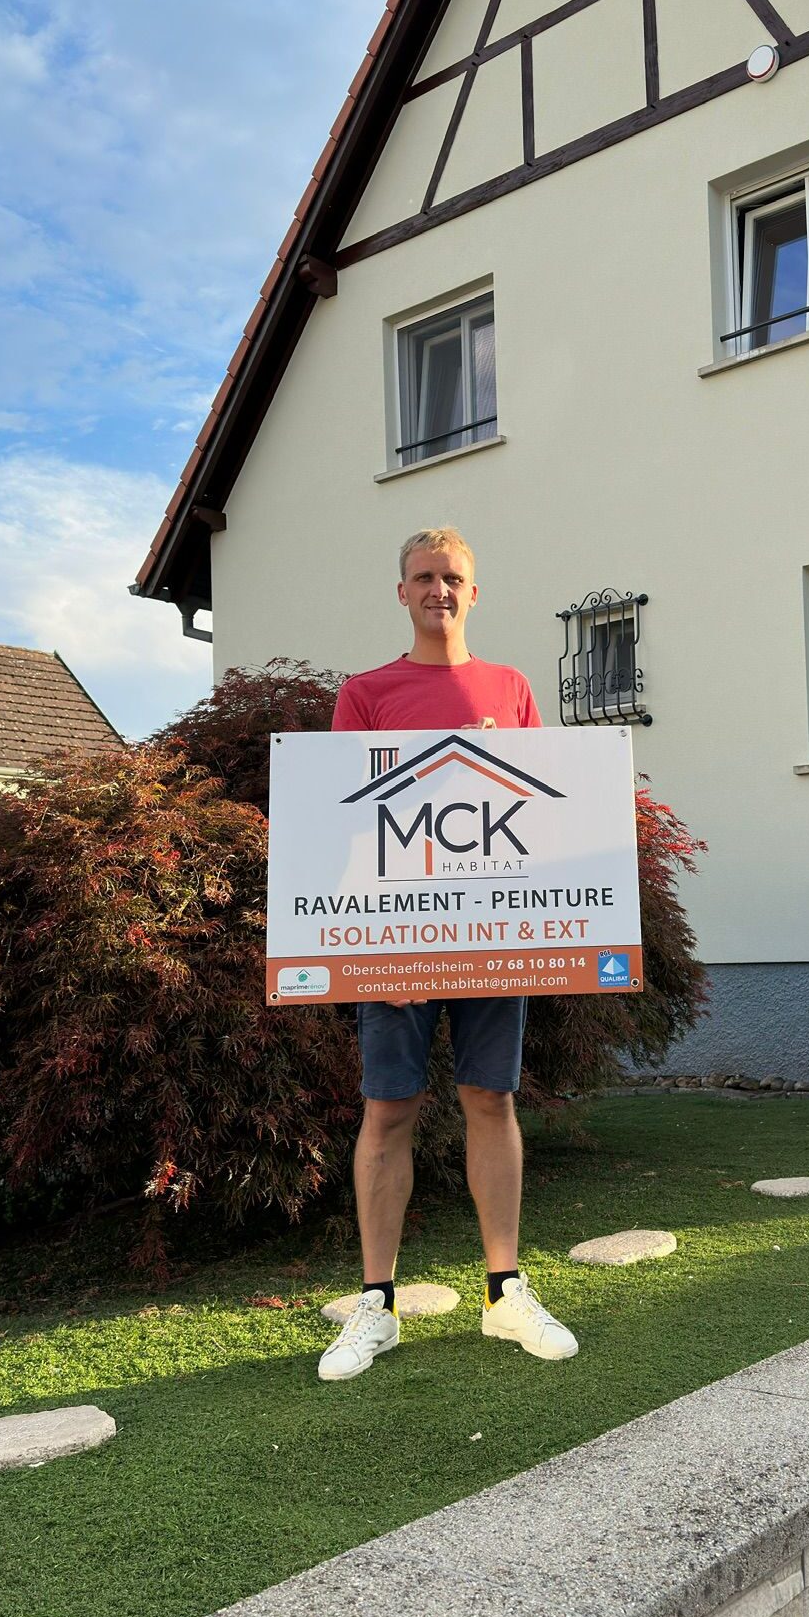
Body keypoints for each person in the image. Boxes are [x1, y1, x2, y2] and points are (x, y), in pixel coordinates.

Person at [317, 525, 579, 1382]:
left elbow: (540, 818)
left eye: (454, 577)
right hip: (395, 943)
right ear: (402, 593)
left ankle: (505, 1293)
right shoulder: (366, 693)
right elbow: (347, 823)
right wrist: (371, 948)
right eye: (424, 577)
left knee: (490, 1099)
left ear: (475, 592)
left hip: (494, 943)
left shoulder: (512, 688)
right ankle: (376, 1307)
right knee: (388, 1111)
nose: (439, 589)